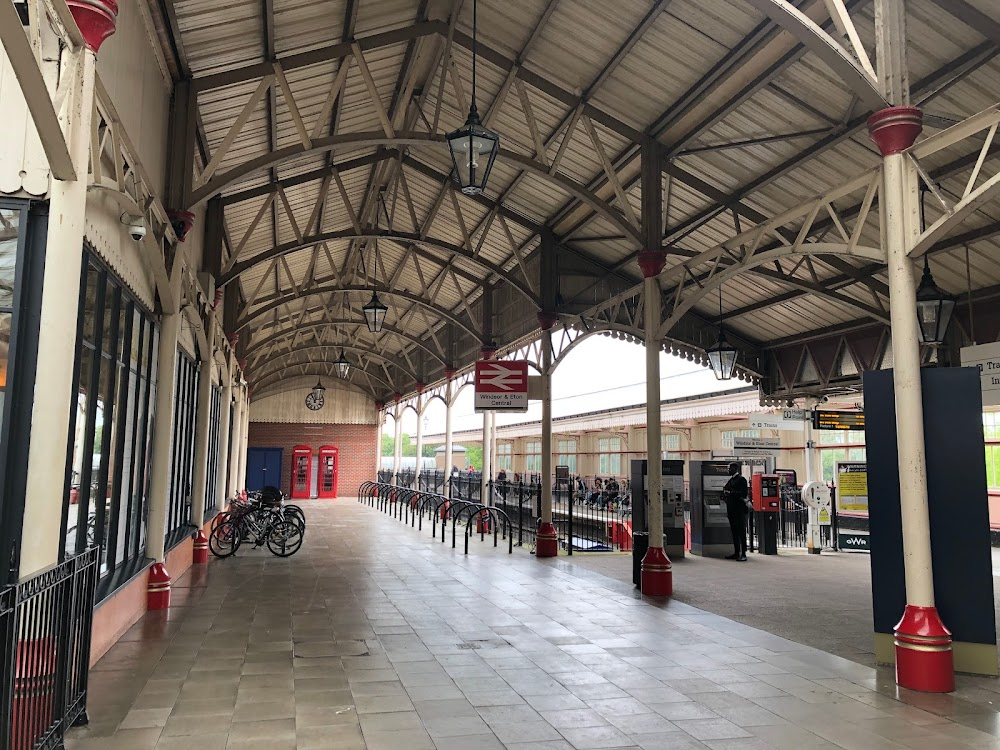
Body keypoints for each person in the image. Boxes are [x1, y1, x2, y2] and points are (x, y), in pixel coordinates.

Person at [722, 462, 750, 561]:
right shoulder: (731, 480)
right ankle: (736, 552)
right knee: (734, 532)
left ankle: (743, 553)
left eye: (729, 468)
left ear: (734, 469)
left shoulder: (741, 480)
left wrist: (731, 493)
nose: (728, 470)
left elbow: (743, 493)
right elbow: (725, 489)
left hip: (739, 510)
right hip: (731, 510)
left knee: (741, 532)